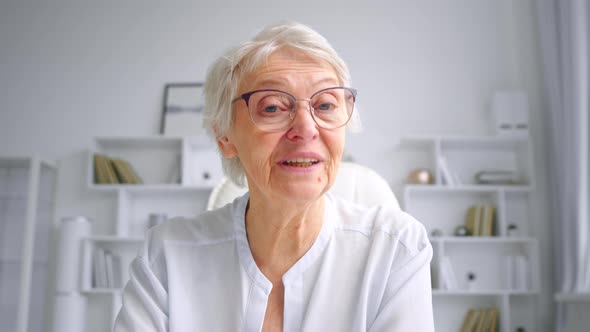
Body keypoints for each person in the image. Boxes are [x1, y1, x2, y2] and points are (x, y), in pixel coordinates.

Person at [114, 21, 434, 332]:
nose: (307, 128)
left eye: (325, 104)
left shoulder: (396, 248)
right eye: (272, 108)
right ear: (225, 137)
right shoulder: (167, 255)